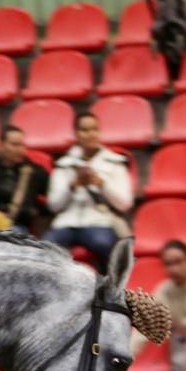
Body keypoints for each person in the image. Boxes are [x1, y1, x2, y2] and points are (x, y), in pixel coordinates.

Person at [45, 113, 132, 269]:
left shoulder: (115, 163)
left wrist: (101, 184)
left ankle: (110, 288)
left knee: (102, 243)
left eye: (94, 129)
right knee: (45, 247)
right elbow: (53, 206)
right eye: (85, 130)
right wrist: (72, 186)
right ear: (76, 134)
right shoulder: (64, 165)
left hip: (99, 220)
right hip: (67, 221)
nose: (90, 134)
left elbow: (125, 204)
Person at [0, 126, 47, 232]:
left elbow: (50, 202)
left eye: (23, 145)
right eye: (15, 145)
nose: (21, 150)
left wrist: (34, 210)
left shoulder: (35, 172)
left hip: (18, 227)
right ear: (0, 146)